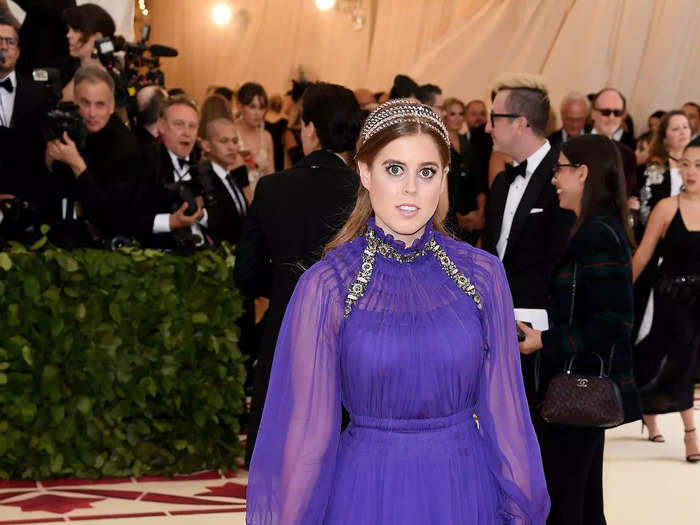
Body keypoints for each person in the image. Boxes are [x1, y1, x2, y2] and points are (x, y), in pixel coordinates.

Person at [246, 98, 549, 524]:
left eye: (426, 172)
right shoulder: (328, 285)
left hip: (463, 492)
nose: (411, 189)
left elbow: (506, 410)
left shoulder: (482, 274)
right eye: (394, 169)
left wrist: (524, 511)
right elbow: (306, 437)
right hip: (367, 494)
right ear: (365, 172)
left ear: (443, 178)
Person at [234, 82, 362, 468]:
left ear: (309, 128)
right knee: (345, 459)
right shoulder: (365, 191)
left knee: (283, 460)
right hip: (352, 339)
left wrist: (282, 287)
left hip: (287, 331)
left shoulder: (272, 188)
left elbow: (246, 274)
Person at [517, 134, 642, 524]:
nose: (555, 178)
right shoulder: (595, 228)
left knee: (566, 501)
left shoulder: (596, 235)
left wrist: (544, 340)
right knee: (583, 500)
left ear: (583, 173)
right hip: (580, 385)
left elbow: (615, 322)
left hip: (579, 386)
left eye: (561, 168)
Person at [482, 74, 575, 410]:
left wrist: (549, 336)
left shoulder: (563, 178)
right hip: (500, 328)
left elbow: (562, 260)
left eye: (494, 118)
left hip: (544, 336)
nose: (488, 128)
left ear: (520, 123)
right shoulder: (502, 183)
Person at [631, 137, 700, 463]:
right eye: (686, 164)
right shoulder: (666, 207)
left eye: (699, 166)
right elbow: (642, 256)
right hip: (670, 296)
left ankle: (647, 408)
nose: (691, 172)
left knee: (652, 355)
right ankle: (690, 434)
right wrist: (616, 295)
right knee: (682, 355)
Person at [43, 65, 145, 244]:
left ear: (112, 106)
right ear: (74, 101)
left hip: (104, 244)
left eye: (100, 104)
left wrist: (77, 166)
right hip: (59, 234)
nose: (91, 113)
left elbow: (110, 214)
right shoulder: (67, 126)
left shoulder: (125, 147)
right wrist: (49, 162)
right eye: (85, 103)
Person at [0, 15, 49, 204]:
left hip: (27, 196)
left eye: (9, 42)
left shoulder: (37, 93)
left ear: (18, 51)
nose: (3, 47)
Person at [197, 117, 248, 245]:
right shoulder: (202, 179)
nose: (232, 147)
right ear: (207, 145)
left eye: (235, 141)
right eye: (224, 141)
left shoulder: (232, 177)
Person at [60, 3, 122, 102]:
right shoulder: (65, 67)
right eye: (69, 29)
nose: (68, 35)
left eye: (75, 30)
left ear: (97, 38)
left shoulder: (114, 78)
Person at [233, 82, 273, 193]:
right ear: (240, 106)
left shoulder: (266, 136)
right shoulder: (231, 132)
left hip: (262, 197)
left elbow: (271, 176)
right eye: (252, 107)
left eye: (261, 107)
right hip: (238, 195)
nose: (257, 113)